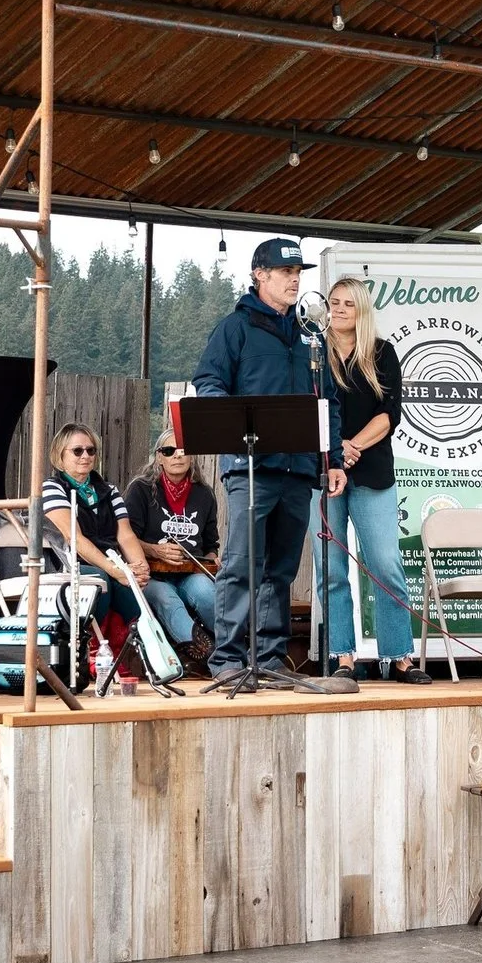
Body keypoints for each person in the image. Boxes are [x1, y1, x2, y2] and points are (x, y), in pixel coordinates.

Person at [190, 235, 330, 679]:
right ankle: (228, 660)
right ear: (260, 275)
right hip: (250, 467)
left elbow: (328, 402)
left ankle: (269, 660)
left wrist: (331, 460)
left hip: (299, 470)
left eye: (298, 273)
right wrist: (232, 423)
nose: (295, 280)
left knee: (282, 570)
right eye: (287, 272)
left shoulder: (311, 336)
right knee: (240, 565)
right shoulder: (234, 328)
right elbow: (209, 382)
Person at [315, 276, 425, 685]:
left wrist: (350, 447)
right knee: (331, 570)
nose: (340, 309)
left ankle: (399, 658)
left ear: (362, 310)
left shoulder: (382, 352)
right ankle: (343, 657)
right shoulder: (312, 352)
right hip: (321, 473)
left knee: (385, 565)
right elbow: (306, 409)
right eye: (334, 302)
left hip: (372, 472)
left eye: (349, 303)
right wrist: (334, 451)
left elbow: (388, 414)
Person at [37, 423, 149, 662]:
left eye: (91, 450)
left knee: (134, 594)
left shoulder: (109, 490)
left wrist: (140, 569)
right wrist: (117, 571)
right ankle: (92, 654)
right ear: (60, 455)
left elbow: (126, 535)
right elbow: (74, 538)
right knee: (99, 580)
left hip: (111, 563)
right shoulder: (52, 488)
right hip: (69, 562)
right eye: (77, 451)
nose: (85, 456)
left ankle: (119, 655)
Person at [123, 429, 220, 661]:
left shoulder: (205, 494)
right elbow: (125, 537)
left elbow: (210, 544)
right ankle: (210, 657)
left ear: (192, 456)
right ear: (159, 457)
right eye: (169, 451)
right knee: (167, 599)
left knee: (208, 594)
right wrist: (155, 550)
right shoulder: (141, 490)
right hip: (151, 574)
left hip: (190, 572)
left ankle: (233, 648)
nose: (177, 455)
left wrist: (212, 559)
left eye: (184, 450)